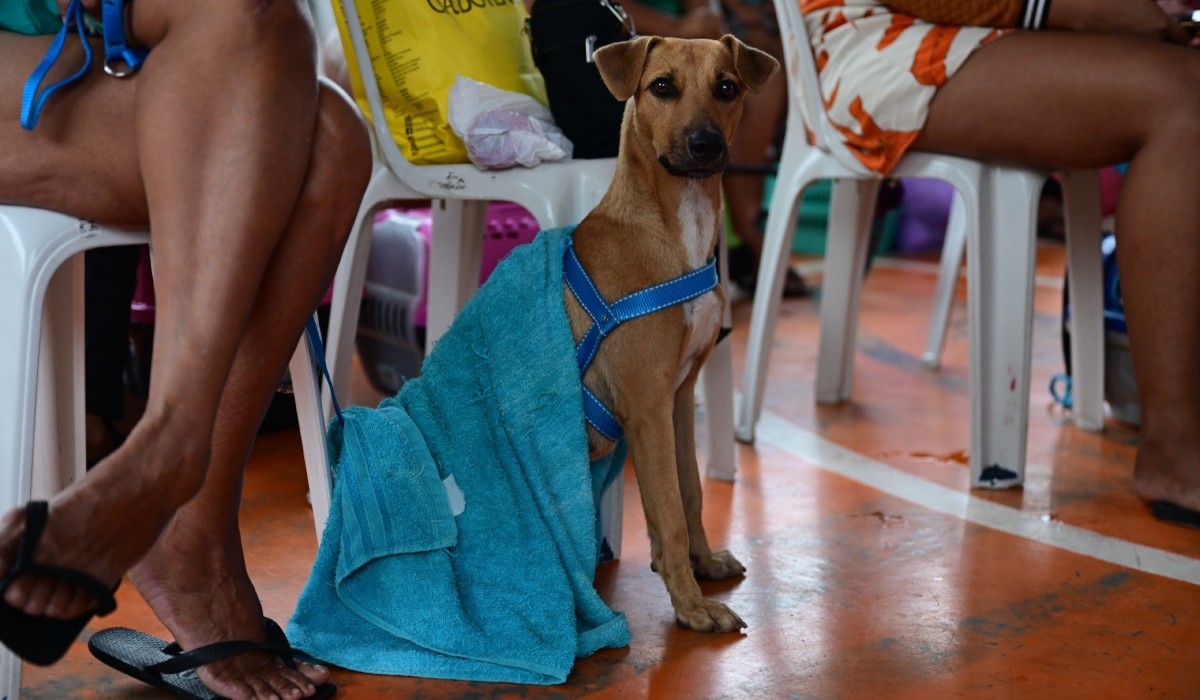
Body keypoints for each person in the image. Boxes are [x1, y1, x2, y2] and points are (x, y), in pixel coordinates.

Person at [0, 1, 372, 699]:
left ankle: (185, 502)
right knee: (315, 129)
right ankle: (179, 479)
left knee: (317, 111)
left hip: (68, 56)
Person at [799, 0, 1200, 527]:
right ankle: (1174, 449)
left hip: (980, 26)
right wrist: (1072, 10)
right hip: (883, 35)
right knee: (1184, 101)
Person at [614, 0, 811, 296]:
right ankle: (752, 236)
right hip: (626, 35)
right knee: (761, 84)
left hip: (689, 30)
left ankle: (751, 230)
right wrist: (675, 27)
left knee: (768, 48)